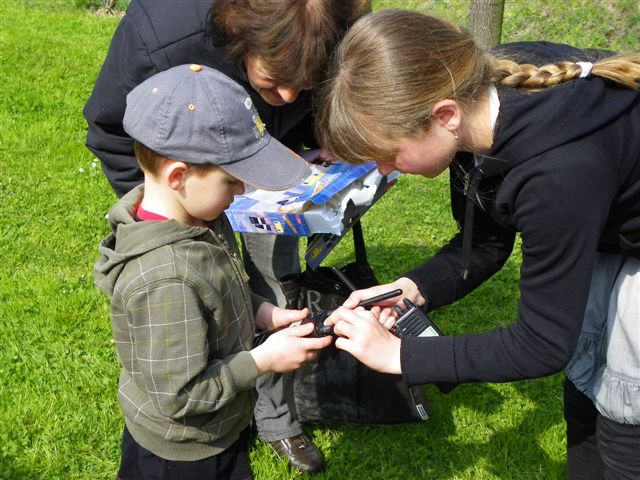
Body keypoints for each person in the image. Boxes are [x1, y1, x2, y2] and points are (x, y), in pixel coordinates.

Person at [316, 9, 640, 480]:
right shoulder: (473, 114)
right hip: (607, 229)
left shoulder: (557, 175)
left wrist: (400, 356)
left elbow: (542, 344)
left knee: (625, 422)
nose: (383, 170)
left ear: (445, 115)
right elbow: (487, 242)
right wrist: (409, 289)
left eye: (388, 154)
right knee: (586, 394)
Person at [83, 0, 370, 472]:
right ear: (178, 177)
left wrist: (261, 312)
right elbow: (180, 395)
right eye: (234, 181)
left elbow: (218, 292)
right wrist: (260, 362)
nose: (242, 191)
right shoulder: (166, 280)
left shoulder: (200, 226)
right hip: (185, 453)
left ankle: (269, 420)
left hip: (221, 429)